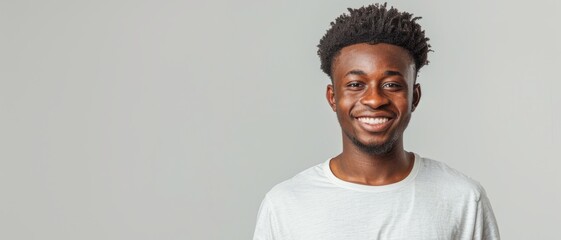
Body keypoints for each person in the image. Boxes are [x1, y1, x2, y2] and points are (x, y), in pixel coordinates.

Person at [253, 3, 500, 240]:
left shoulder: (463, 199)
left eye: (391, 85)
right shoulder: (285, 204)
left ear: (414, 97)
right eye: (355, 85)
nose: (374, 99)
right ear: (333, 97)